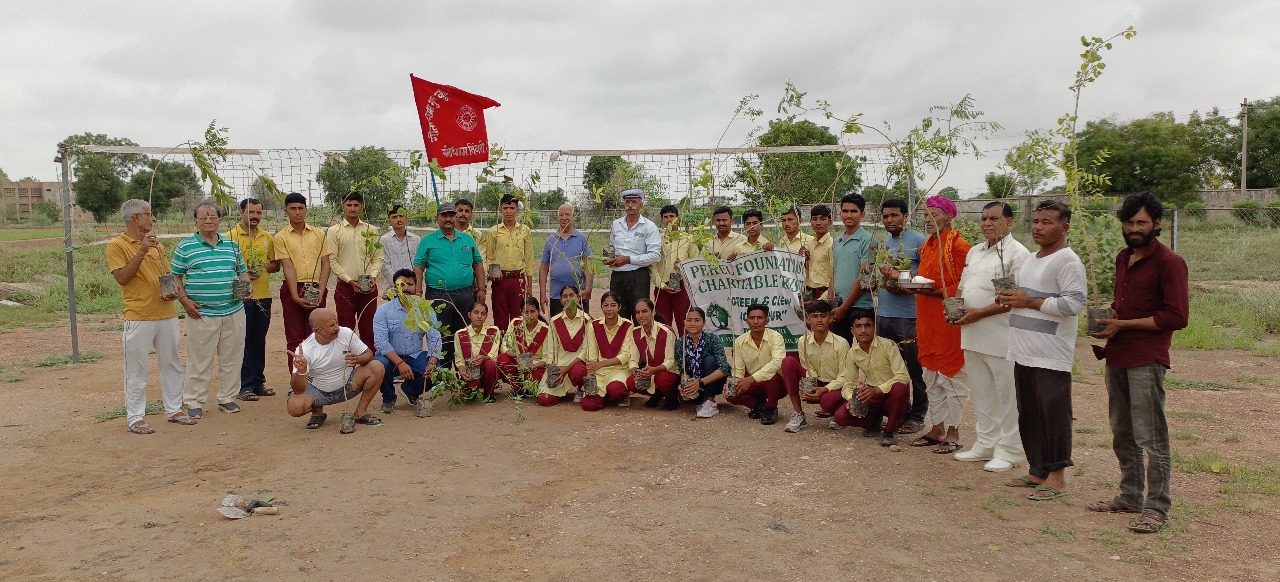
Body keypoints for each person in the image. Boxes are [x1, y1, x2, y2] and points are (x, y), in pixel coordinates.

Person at [1086, 192, 1189, 533]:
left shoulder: (1169, 262)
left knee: (1151, 434)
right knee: (1122, 431)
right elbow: (1127, 303)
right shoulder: (1123, 257)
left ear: (1157, 223)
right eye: (1129, 222)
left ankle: (1157, 508)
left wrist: (1124, 325)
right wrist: (1110, 319)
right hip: (1117, 355)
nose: (1134, 228)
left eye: (1141, 222)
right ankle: (1130, 496)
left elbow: (1176, 316)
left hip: (1146, 358)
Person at [997, 199, 1087, 502]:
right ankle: (1037, 469)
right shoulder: (1030, 259)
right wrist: (1010, 298)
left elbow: (1073, 304)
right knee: (1030, 413)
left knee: (1053, 413)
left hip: (1050, 353)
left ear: (1064, 227)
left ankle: (1057, 476)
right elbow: (1025, 296)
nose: (1038, 227)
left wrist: (1030, 302)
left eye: (1047, 222)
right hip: (1023, 348)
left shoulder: (1067, 261)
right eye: (1036, 221)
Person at [951, 201, 1031, 472]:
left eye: (994, 218)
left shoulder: (1015, 254)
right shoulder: (975, 251)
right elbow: (964, 287)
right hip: (972, 334)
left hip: (1001, 337)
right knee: (982, 392)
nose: (987, 223)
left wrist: (979, 313)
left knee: (1007, 396)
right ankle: (986, 443)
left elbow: (1012, 299)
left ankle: (1010, 450)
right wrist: (954, 309)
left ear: (1009, 222)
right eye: (984, 218)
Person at [106, 199, 189, 434]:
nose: (153, 219)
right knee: (136, 368)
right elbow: (122, 278)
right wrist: (141, 251)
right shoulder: (117, 245)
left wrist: (172, 291)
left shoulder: (157, 246)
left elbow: (166, 275)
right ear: (136, 217)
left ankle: (174, 409)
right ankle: (135, 417)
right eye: (149, 214)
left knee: (172, 363)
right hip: (139, 315)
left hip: (166, 314)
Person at [899, 195, 971, 454]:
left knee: (952, 375)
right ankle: (937, 427)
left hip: (947, 322)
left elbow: (964, 286)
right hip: (926, 321)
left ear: (948, 217)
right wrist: (911, 285)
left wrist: (930, 290)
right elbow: (925, 279)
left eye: (934, 214)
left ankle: (954, 431)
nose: (928, 219)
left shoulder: (959, 246)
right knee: (930, 375)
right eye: (926, 215)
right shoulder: (927, 246)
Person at [171, 203, 250, 418]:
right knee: (199, 359)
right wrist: (184, 301)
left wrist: (246, 288)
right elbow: (175, 276)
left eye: (213, 217)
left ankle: (227, 397)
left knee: (232, 357)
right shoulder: (185, 247)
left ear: (219, 220)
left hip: (234, 311)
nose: (208, 221)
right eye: (203, 217)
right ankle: (194, 401)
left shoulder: (231, 245)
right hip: (201, 313)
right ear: (195, 221)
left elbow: (242, 272)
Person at [873, 199, 929, 434]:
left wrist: (900, 279)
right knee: (890, 368)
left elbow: (926, 280)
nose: (889, 220)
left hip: (909, 316)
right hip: (884, 314)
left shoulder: (919, 242)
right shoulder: (883, 243)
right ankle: (900, 412)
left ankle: (918, 415)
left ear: (905, 216)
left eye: (894, 215)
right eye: (886, 216)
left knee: (915, 368)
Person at [818, 309, 911, 446]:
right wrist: (851, 400)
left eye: (867, 325)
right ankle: (872, 422)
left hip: (891, 395)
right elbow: (848, 384)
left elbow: (903, 375)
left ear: (874, 327)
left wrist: (877, 390)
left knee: (900, 388)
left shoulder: (888, 345)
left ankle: (890, 431)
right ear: (852, 330)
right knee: (840, 417)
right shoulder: (853, 353)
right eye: (858, 326)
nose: (863, 330)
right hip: (872, 396)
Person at [285, 308, 385, 432]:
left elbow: (368, 354)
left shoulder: (346, 333)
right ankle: (317, 412)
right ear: (317, 331)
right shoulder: (305, 350)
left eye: (336, 322)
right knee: (294, 407)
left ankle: (360, 412)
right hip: (318, 391)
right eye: (331, 325)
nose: (337, 327)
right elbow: (298, 390)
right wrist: (301, 371)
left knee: (377, 367)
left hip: (348, 385)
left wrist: (358, 359)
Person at [414, 202, 486, 371]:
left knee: (464, 334)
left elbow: (477, 264)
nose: (448, 219)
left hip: (465, 295)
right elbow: (418, 266)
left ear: (455, 217)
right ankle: (443, 374)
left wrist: (482, 289)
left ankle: (466, 374)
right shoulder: (428, 241)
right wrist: (417, 291)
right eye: (444, 215)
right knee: (441, 335)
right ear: (437, 218)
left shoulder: (467, 239)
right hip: (438, 296)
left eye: (451, 215)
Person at [227, 197, 280, 401]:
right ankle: (244, 385)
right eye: (251, 212)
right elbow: (225, 267)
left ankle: (258, 382)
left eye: (258, 213)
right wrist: (243, 272)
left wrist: (261, 266)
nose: (255, 216)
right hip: (242, 295)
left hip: (263, 296)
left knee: (259, 340)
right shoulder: (230, 238)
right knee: (243, 340)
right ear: (241, 213)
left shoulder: (267, 237)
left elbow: (275, 266)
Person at [275, 192, 332, 375]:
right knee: (294, 336)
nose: (297, 212)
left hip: (316, 288)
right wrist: (294, 295)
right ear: (286, 211)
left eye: (300, 208)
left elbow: (325, 263)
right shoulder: (281, 237)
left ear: (306, 210)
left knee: (317, 333)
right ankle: (297, 378)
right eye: (293, 208)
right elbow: (287, 266)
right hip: (293, 287)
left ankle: (316, 377)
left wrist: (321, 290)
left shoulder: (318, 234)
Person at [373, 269, 442, 417]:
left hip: (414, 355)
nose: (406, 288)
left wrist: (431, 363)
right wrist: (399, 363)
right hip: (390, 358)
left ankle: (410, 391)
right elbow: (381, 343)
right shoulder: (384, 310)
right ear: (395, 287)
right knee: (379, 364)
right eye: (401, 285)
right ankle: (389, 399)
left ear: (416, 286)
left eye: (410, 284)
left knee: (437, 370)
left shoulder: (425, 310)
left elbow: (435, 338)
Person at [727, 303, 803, 425]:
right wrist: (735, 383)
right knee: (730, 393)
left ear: (766, 321)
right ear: (747, 321)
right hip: (755, 384)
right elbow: (738, 369)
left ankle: (771, 407)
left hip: (777, 384)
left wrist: (751, 379)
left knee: (771, 376)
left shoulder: (776, 337)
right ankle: (759, 405)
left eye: (760, 318)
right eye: (752, 318)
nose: (755, 322)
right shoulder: (740, 341)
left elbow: (777, 362)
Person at [328, 192, 384, 347]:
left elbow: (378, 257)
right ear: (342, 207)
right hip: (345, 286)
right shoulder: (334, 231)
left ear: (362, 207)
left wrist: (373, 276)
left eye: (356, 205)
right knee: (345, 328)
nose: (352, 208)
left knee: (369, 327)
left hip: (368, 285)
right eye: (349, 205)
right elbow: (332, 260)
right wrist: (349, 280)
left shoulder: (371, 230)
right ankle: (347, 360)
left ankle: (369, 359)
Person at [604, 189, 662, 321]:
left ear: (641, 205)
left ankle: (640, 335)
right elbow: (611, 247)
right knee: (618, 316)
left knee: (640, 315)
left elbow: (655, 255)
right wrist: (608, 258)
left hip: (638, 277)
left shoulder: (649, 226)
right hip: (617, 276)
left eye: (634, 202)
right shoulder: (616, 224)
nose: (630, 205)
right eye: (627, 202)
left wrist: (629, 260)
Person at [794, 300, 850, 432]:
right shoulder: (803, 341)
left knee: (827, 401)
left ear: (830, 318)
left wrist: (825, 389)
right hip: (817, 381)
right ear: (808, 320)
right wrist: (810, 387)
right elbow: (807, 366)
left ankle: (837, 410)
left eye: (823, 316)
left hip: (836, 385)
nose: (819, 320)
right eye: (814, 316)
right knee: (788, 363)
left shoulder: (841, 343)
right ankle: (798, 413)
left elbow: (845, 376)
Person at [537, 285, 593, 406]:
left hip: (577, 364)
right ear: (561, 300)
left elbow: (586, 350)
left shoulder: (587, 320)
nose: (568, 299)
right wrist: (552, 369)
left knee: (579, 371)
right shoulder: (554, 321)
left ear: (578, 298)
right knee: (545, 400)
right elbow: (551, 349)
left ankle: (580, 387)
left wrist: (566, 369)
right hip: (559, 364)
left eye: (572, 295)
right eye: (565, 296)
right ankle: (559, 391)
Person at [486, 194, 535, 332]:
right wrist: (493, 273)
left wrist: (529, 285)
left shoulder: (524, 230)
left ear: (517, 210)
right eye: (505, 208)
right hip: (500, 280)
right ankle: (501, 344)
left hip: (518, 279)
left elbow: (529, 258)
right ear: (500, 210)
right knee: (500, 317)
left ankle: (517, 343)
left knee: (518, 317)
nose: (508, 211)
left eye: (512, 208)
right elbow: (489, 256)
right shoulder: (494, 231)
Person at [830, 194, 874, 343]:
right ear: (840, 213)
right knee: (841, 349)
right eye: (845, 211)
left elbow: (864, 277)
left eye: (853, 211)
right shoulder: (837, 241)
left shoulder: (868, 240)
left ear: (862, 214)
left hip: (860, 307)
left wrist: (844, 307)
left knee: (864, 349)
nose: (849, 215)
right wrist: (831, 302)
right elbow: (834, 272)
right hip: (839, 306)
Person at [582, 292, 637, 410]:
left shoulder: (628, 325)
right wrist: (589, 378)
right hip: (600, 372)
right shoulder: (594, 326)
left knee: (616, 390)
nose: (609, 309)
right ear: (601, 307)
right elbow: (592, 356)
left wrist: (601, 363)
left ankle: (620, 396)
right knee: (588, 405)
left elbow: (625, 355)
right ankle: (606, 396)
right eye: (605, 305)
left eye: (613, 305)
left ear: (619, 307)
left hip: (619, 371)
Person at [675, 307, 731, 418]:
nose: (692, 323)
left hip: (715, 382)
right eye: (689, 320)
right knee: (686, 398)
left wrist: (700, 382)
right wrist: (685, 385)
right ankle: (700, 398)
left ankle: (710, 402)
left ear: (704, 323)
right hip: (695, 382)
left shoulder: (713, 339)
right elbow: (683, 369)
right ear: (684, 322)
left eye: (697, 320)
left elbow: (724, 368)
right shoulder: (681, 342)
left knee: (709, 360)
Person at [539, 203, 593, 317]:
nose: (564, 218)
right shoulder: (550, 241)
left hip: (579, 294)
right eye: (561, 215)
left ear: (573, 216)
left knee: (580, 324)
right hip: (556, 295)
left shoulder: (582, 239)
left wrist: (588, 288)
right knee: (558, 325)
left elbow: (588, 264)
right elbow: (543, 268)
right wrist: (542, 294)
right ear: (557, 217)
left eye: (567, 214)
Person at [628, 299, 681, 410]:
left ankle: (672, 399)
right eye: (637, 312)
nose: (640, 316)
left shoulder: (666, 331)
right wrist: (637, 373)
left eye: (644, 311)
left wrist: (654, 370)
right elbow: (633, 360)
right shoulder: (635, 332)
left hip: (669, 373)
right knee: (631, 382)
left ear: (653, 312)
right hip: (650, 372)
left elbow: (670, 362)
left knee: (662, 379)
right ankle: (657, 394)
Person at [651, 204, 696, 335]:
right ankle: (666, 347)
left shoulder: (687, 239)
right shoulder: (657, 239)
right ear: (662, 220)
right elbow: (652, 266)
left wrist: (684, 265)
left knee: (684, 321)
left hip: (682, 286)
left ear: (678, 218)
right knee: (662, 324)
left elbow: (695, 262)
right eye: (666, 217)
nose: (669, 220)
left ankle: (685, 347)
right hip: (662, 287)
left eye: (672, 216)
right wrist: (662, 285)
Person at [497, 296, 551, 393]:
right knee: (502, 359)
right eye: (526, 312)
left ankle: (528, 387)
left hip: (535, 367)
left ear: (538, 311)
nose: (529, 315)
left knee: (534, 382)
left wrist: (535, 365)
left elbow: (547, 358)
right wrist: (516, 355)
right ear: (521, 313)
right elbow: (504, 345)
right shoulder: (515, 323)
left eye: (533, 311)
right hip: (518, 363)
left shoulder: (546, 329)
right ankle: (517, 387)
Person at [454, 302, 501, 401]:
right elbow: (459, 359)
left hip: (486, 370)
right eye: (476, 312)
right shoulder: (460, 334)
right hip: (470, 371)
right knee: (470, 396)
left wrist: (484, 358)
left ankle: (489, 392)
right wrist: (462, 371)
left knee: (490, 364)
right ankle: (469, 387)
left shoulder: (494, 331)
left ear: (486, 316)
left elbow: (494, 355)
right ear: (469, 315)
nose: (479, 316)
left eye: (483, 314)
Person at [380, 205, 421, 292]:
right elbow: (384, 265)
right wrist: (398, 283)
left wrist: (412, 284)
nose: (399, 219)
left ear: (406, 218)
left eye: (401, 216)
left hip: (412, 289)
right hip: (393, 289)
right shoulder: (384, 240)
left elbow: (419, 264)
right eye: (394, 217)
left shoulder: (416, 239)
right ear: (388, 221)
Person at [805, 205, 835, 300]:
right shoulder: (811, 244)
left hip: (824, 294)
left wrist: (824, 298)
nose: (818, 223)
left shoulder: (832, 245)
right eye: (815, 219)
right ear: (811, 222)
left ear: (830, 222)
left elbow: (836, 274)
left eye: (822, 219)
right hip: (810, 293)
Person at [454, 198, 487, 275]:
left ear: (472, 215)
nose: (463, 214)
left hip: (470, 276)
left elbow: (481, 259)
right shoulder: (447, 233)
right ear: (454, 212)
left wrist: (481, 277)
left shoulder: (478, 235)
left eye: (467, 211)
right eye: (460, 210)